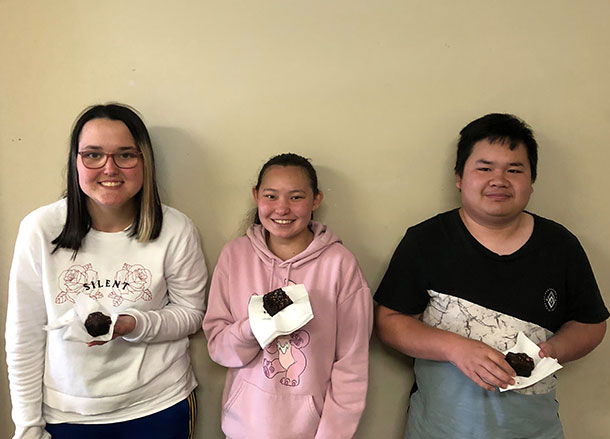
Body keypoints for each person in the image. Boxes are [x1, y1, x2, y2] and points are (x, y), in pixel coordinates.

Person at [374, 113, 608, 439]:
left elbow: (591, 323)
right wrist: (454, 348)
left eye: (514, 170)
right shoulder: (425, 240)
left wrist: (553, 350)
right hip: (440, 429)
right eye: (484, 169)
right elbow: (389, 321)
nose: (499, 180)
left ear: (531, 180)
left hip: (535, 429)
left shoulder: (560, 245)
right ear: (459, 177)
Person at [5, 103, 208, 439]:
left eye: (125, 155)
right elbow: (24, 335)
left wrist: (136, 324)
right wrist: (27, 426)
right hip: (68, 415)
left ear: (144, 162)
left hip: (158, 405)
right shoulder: (40, 229)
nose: (109, 168)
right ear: (75, 162)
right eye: (93, 155)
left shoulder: (175, 229)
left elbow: (191, 313)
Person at [203, 153, 373, 439]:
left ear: (316, 200)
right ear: (256, 196)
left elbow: (352, 363)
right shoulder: (235, 256)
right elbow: (219, 348)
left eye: (296, 197)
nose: (282, 209)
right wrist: (255, 325)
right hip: (243, 427)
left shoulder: (339, 264)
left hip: (311, 430)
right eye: (271, 196)